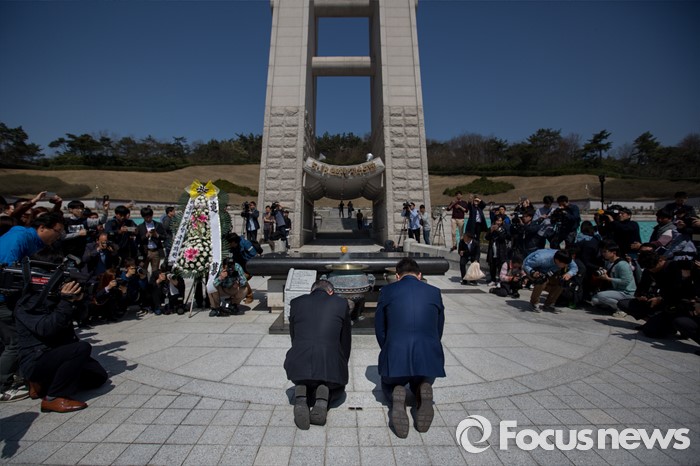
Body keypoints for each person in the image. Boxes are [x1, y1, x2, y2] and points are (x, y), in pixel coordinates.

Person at [375, 258, 445, 438]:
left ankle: (396, 393)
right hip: (427, 358)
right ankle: (421, 390)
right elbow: (438, 328)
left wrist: (388, 350)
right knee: (421, 379)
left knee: (387, 383)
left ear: (397, 276)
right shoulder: (435, 292)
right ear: (419, 275)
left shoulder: (386, 291)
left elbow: (380, 328)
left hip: (396, 353)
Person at [14, 279, 108, 412]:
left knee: (98, 377)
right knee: (81, 348)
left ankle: (43, 384)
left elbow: (82, 317)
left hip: (57, 353)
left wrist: (78, 300)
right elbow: (46, 329)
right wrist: (66, 301)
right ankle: (53, 397)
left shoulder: (57, 297)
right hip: (37, 358)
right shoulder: (29, 302)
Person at [0, 212, 66, 402]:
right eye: (57, 232)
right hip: (3, 299)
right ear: (42, 228)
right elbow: (6, 271)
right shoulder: (19, 238)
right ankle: (2, 386)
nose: (58, 237)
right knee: (15, 341)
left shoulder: (35, 242)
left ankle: (19, 375)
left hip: (14, 299)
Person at [284, 280, 351, 429]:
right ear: (331, 292)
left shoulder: (296, 303)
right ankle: (323, 397)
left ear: (311, 291)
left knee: (305, 378)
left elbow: (294, 337)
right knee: (339, 388)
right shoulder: (341, 303)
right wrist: (342, 365)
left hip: (298, 364)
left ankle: (302, 394)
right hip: (329, 364)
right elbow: (345, 341)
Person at [590, 241, 637, 315]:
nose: (603, 254)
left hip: (626, 292)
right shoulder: (609, 263)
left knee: (601, 296)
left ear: (613, 253)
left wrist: (608, 279)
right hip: (616, 290)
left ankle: (622, 309)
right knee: (594, 300)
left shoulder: (622, 265)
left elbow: (625, 281)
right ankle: (614, 306)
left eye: (605, 252)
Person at [136, 207, 166, 275]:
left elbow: (165, 236)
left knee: (155, 272)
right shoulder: (140, 227)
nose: (148, 219)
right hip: (145, 251)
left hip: (156, 251)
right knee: (143, 271)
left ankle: (153, 281)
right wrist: (146, 235)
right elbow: (138, 240)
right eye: (146, 217)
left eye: (150, 217)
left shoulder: (158, 225)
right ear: (143, 217)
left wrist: (157, 235)